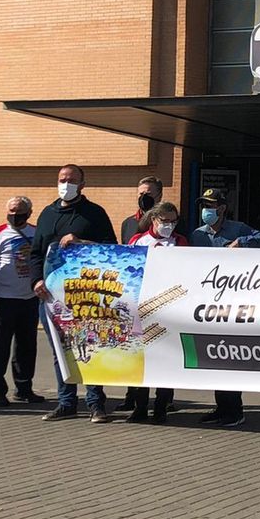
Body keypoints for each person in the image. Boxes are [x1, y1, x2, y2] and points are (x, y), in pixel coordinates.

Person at [31, 165, 117, 424]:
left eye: (71, 180)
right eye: (61, 180)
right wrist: (36, 280)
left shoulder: (94, 214)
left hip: (85, 295)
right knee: (61, 350)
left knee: (89, 348)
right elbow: (36, 252)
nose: (65, 184)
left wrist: (82, 242)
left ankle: (95, 404)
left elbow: (111, 250)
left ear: (82, 184)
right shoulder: (47, 213)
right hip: (51, 296)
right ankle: (66, 402)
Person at [190, 187, 260, 427]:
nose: (206, 210)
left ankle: (234, 410)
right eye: (203, 206)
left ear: (222, 208)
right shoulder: (198, 235)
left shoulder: (238, 229)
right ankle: (220, 407)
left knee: (229, 356)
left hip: (233, 303)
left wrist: (243, 242)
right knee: (214, 357)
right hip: (207, 303)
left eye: (211, 205)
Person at [0, 195, 45, 408]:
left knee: (26, 347)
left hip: (29, 300)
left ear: (29, 213)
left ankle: (24, 388)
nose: (15, 216)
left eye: (20, 213)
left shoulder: (36, 233)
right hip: (2, 300)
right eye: (11, 212)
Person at [124, 201, 186, 423]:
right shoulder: (138, 240)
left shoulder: (180, 242)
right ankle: (140, 406)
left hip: (170, 308)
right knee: (139, 358)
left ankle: (161, 406)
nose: (168, 225)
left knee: (167, 358)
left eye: (173, 221)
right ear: (154, 220)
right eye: (164, 221)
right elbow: (127, 268)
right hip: (140, 307)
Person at [113, 175, 163, 413]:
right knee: (131, 349)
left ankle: (164, 400)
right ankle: (131, 396)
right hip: (134, 296)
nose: (144, 197)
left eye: (149, 193)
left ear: (159, 196)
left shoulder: (170, 222)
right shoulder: (127, 224)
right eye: (141, 193)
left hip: (160, 297)